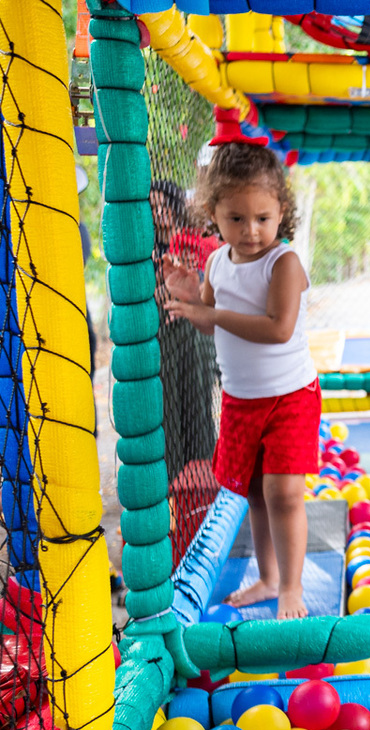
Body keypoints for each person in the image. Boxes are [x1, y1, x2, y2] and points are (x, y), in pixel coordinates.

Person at [164, 142, 319, 620]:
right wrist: (195, 300)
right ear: (214, 214)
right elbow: (210, 322)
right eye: (236, 219)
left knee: (283, 493)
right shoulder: (215, 263)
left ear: (280, 212)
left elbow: (277, 328)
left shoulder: (283, 264)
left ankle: (291, 586)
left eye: (262, 218)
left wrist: (210, 310)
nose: (250, 231)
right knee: (253, 490)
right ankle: (268, 577)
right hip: (240, 399)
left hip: (290, 396)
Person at [150, 179, 221, 495]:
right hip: (164, 335)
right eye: (152, 208)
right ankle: (171, 484)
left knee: (198, 404)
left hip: (196, 334)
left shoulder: (195, 240)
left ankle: (202, 483)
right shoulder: (145, 248)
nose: (159, 213)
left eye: (164, 205)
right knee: (169, 408)